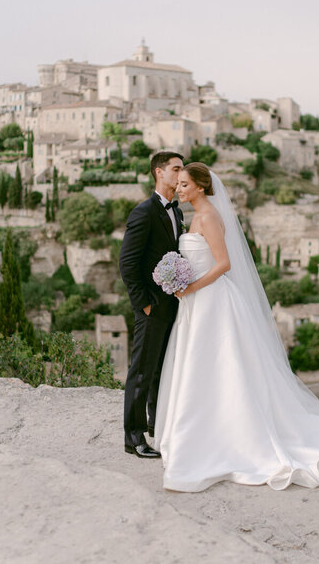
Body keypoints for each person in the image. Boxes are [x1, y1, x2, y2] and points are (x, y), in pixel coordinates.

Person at [154, 163, 319, 491]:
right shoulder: (195, 215)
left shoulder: (208, 216)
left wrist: (191, 286)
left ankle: (219, 439)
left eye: (184, 184)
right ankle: (199, 432)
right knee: (202, 367)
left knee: (219, 365)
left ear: (200, 187)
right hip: (197, 301)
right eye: (178, 184)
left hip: (212, 301)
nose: (178, 189)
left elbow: (224, 264)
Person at [119, 151, 185, 458]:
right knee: (142, 370)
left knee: (161, 370)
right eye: (176, 169)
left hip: (172, 306)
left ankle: (157, 428)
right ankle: (133, 437)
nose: (180, 174)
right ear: (159, 172)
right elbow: (127, 264)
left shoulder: (177, 212)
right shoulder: (143, 212)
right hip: (151, 307)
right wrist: (143, 304)